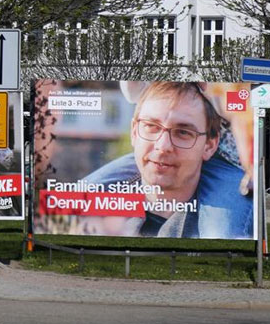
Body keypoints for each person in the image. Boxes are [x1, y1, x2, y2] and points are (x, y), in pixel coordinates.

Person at [81, 82, 253, 238]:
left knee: (224, 230)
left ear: (209, 145)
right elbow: (132, 87)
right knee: (77, 197)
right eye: (151, 127)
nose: (163, 146)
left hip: (230, 161)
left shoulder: (227, 91)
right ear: (134, 131)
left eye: (183, 132)